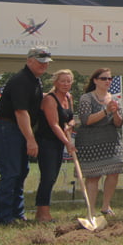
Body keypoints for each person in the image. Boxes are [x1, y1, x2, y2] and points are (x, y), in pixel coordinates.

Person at [0, 46, 50, 225]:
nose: (44, 65)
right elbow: (20, 112)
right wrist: (30, 139)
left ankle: (17, 212)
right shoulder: (22, 80)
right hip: (9, 127)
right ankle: (4, 216)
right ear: (29, 60)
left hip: (18, 128)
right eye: (40, 62)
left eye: (46, 62)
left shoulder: (34, 80)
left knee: (21, 171)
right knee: (11, 171)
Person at [76, 68, 123, 216]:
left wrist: (115, 112)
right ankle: (91, 210)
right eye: (104, 78)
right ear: (95, 80)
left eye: (109, 79)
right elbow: (86, 120)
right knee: (93, 176)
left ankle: (106, 206)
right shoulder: (86, 98)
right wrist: (106, 111)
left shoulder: (114, 98)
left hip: (111, 141)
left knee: (113, 172)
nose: (108, 81)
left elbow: (118, 123)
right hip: (91, 141)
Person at [34, 69, 76, 222]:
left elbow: (71, 119)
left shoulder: (69, 97)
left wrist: (70, 125)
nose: (66, 84)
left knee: (53, 177)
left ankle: (40, 212)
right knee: (48, 176)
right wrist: (67, 143)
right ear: (55, 82)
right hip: (46, 142)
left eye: (68, 81)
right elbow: (53, 124)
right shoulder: (50, 100)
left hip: (58, 142)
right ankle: (43, 212)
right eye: (62, 81)